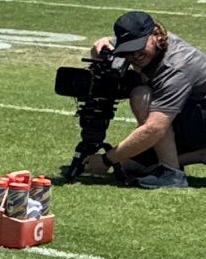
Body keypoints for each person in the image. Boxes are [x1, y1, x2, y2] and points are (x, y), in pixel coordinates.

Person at [77, 13, 206, 187]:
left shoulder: (176, 67)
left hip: (200, 120)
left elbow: (154, 128)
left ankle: (172, 173)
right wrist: (99, 45)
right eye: (128, 48)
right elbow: (102, 50)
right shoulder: (153, 44)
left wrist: (107, 160)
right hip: (190, 117)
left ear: (157, 34)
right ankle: (195, 156)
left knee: (141, 95)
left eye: (139, 46)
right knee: (131, 166)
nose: (135, 54)